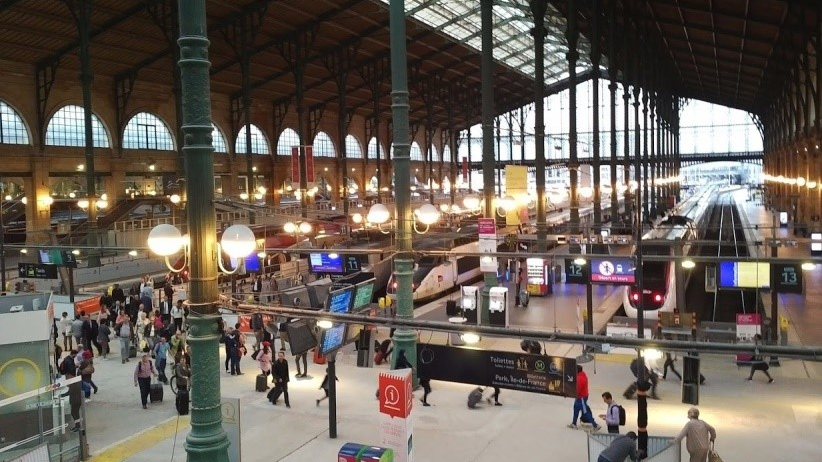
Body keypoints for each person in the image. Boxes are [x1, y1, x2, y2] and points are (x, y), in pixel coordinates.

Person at [569, 365, 600, 430]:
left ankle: (595, 425)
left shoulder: (580, 378)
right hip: (580, 397)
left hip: (581, 397)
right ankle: (574, 423)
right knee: (576, 409)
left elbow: (577, 389)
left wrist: (571, 394)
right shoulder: (582, 375)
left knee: (585, 412)